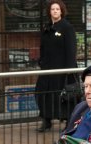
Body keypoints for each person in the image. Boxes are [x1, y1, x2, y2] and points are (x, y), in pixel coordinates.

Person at [35, 0, 79, 132]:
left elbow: (71, 49)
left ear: (61, 11)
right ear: (49, 11)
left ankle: (68, 122)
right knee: (42, 93)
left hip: (63, 70)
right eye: (53, 9)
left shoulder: (67, 27)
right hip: (47, 70)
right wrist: (41, 62)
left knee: (65, 96)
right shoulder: (47, 28)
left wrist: (69, 70)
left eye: (57, 9)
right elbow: (42, 48)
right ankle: (46, 120)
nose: (55, 11)